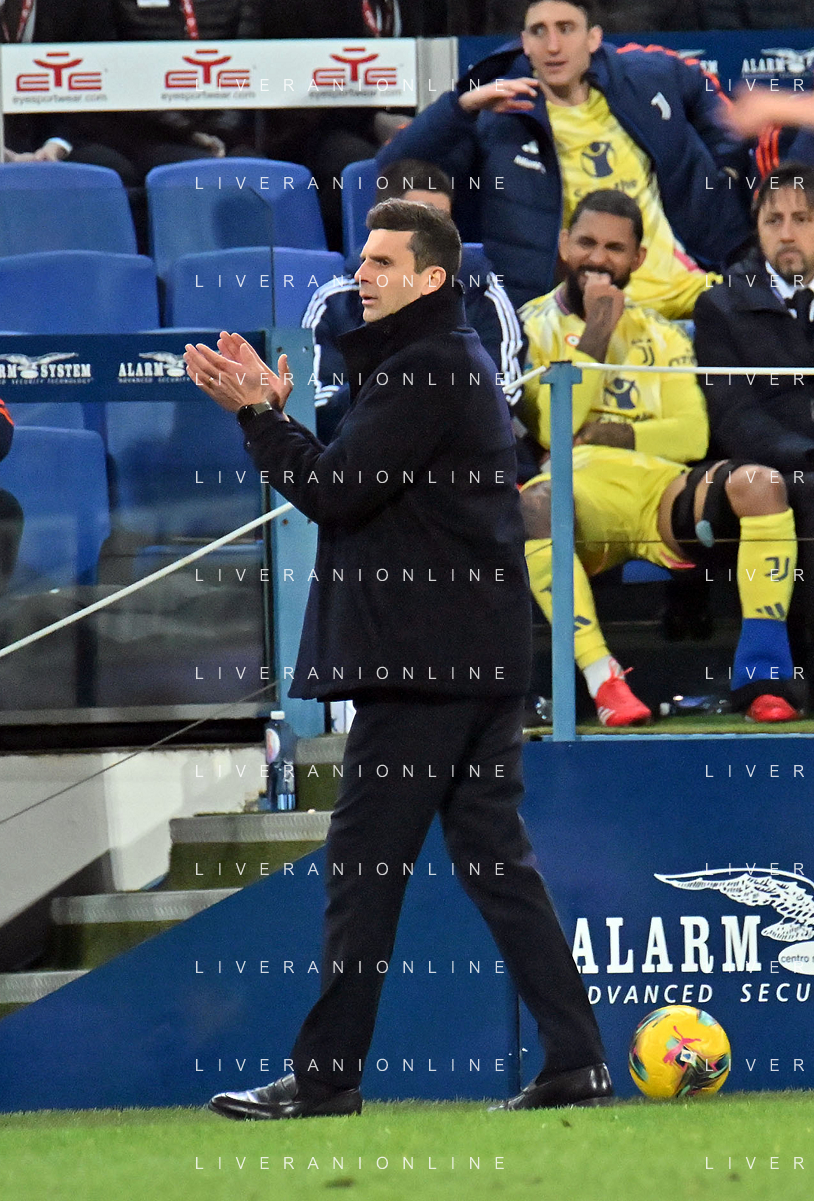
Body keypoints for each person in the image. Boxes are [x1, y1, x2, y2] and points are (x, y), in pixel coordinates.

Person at [183, 199, 612, 1118]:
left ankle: (326, 1077)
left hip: (424, 666)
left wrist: (259, 418)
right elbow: (359, 481)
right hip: (472, 653)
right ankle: (577, 1059)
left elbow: (334, 491)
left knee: (364, 867)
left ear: (431, 277)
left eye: (383, 262)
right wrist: (278, 414)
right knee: (495, 861)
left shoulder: (427, 367)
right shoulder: (440, 361)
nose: (363, 275)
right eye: (363, 259)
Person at [519, 189, 803, 726]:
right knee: (535, 506)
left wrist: (617, 435)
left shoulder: (663, 333)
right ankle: (604, 680)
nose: (598, 259)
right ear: (563, 243)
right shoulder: (530, 325)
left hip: (661, 492)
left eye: (615, 248)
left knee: (762, 484)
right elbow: (554, 428)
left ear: (638, 258)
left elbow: (692, 437)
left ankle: (763, 676)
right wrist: (598, 331)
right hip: (578, 497)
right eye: (586, 243)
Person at [376, 0, 751, 312]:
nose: (553, 45)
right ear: (524, 42)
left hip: (684, 293)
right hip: (563, 313)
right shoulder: (498, 115)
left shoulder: (641, 80)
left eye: (566, 28)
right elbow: (393, 167)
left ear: (593, 38)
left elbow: (705, 93)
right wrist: (462, 106)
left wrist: (729, 170)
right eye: (539, 31)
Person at [693, 161, 814, 701]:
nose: (787, 233)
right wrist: (806, 454)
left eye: (802, 219)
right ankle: (783, 677)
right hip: (766, 468)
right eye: (774, 220)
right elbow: (733, 415)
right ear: (757, 226)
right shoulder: (720, 305)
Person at [302, 158, 525, 443]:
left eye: (443, 222)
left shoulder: (481, 293)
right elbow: (316, 405)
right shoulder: (336, 302)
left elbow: (505, 392)